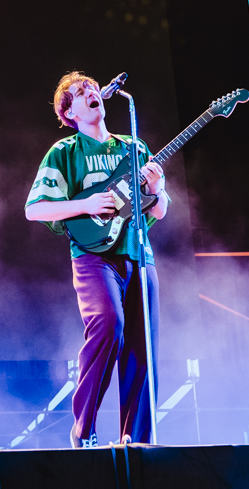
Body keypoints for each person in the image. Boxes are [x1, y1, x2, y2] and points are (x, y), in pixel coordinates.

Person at [26, 72, 168, 447]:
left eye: (91, 87)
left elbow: (160, 211)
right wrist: (86, 204)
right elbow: (34, 209)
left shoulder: (134, 147)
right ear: (69, 112)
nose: (90, 91)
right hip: (94, 257)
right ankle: (84, 427)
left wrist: (157, 190)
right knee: (109, 326)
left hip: (139, 254)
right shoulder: (64, 152)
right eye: (79, 92)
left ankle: (137, 443)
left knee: (143, 350)